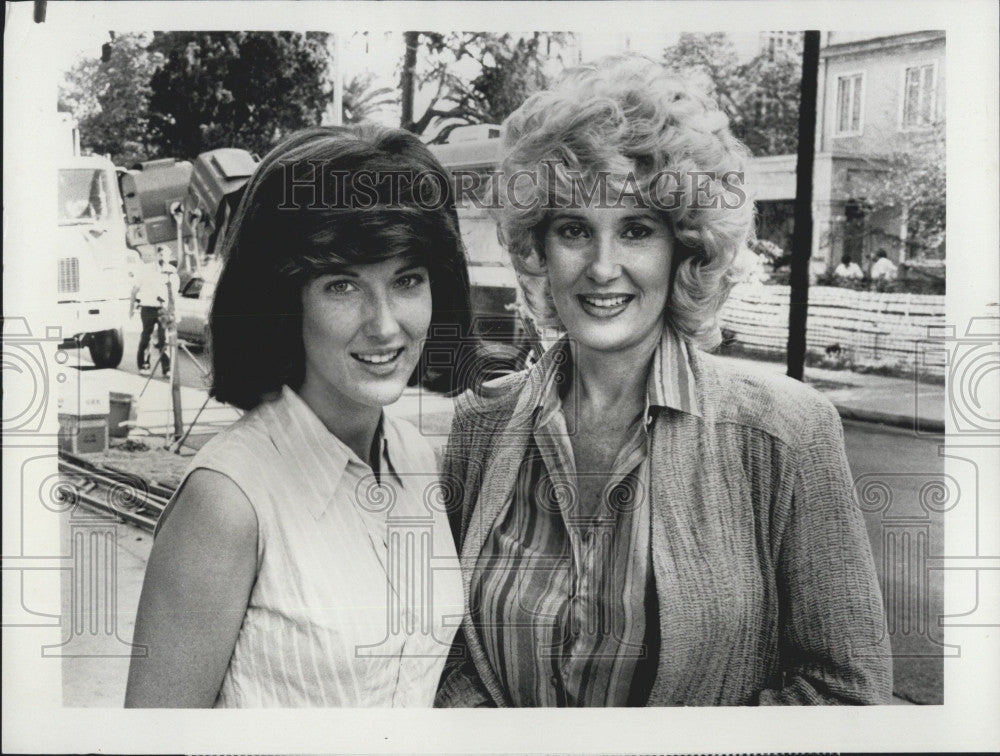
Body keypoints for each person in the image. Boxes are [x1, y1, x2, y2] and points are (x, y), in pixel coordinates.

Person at [435, 55, 892, 707]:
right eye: (573, 230)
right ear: (537, 246)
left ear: (685, 246)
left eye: (636, 230)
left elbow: (848, 693)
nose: (601, 266)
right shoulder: (475, 429)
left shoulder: (785, 435)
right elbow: (443, 650)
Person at [126, 125, 475, 707]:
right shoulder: (228, 503)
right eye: (343, 285)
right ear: (284, 298)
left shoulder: (420, 462)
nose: (385, 324)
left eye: (407, 280)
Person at [132, 245, 180, 376]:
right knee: (146, 337)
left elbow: (175, 293)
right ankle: (144, 365)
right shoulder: (146, 269)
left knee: (164, 338)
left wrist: (175, 311)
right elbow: (135, 289)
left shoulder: (172, 271)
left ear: (169, 257)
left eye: (165, 255)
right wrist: (131, 308)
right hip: (147, 308)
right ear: (156, 255)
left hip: (163, 309)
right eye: (160, 255)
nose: (162, 258)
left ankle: (167, 368)